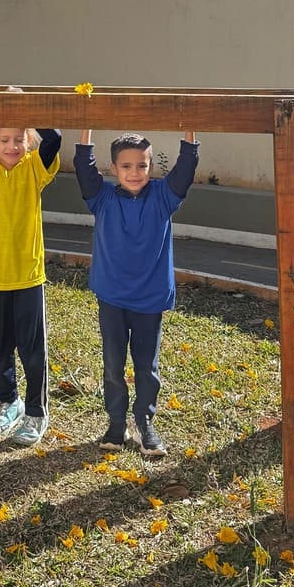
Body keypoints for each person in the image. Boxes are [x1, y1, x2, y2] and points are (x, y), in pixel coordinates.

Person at [73, 129, 200, 457]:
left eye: (142, 166)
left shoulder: (162, 198)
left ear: (151, 167)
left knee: (147, 366)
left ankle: (145, 423)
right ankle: (117, 424)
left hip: (149, 300)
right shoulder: (102, 198)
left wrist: (189, 131)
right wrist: (85, 129)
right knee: (113, 365)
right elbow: (84, 169)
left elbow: (185, 170)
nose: (134, 173)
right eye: (126, 166)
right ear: (113, 169)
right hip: (112, 298)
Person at [0, 122, 61, 447]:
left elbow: (55, 138)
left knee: (32, 350)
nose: (12, 146)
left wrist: (24, 108)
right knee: (1, 347)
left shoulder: (34, 167)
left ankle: (36, 410)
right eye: (4, 139)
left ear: (28, 139)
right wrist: (0, 105)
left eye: (19, 139)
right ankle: (9, 401)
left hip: (26, 275)